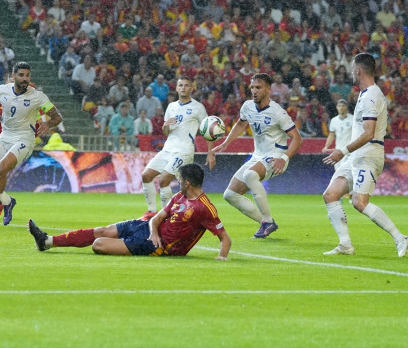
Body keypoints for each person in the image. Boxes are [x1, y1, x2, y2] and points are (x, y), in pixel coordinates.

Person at [27, 163, 230, 259]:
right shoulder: (180, 197)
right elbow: (158, 218)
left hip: (157, 247)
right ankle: (47, 241)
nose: (176, 184)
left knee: (98, 244)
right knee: (103, 230)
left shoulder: (205, 208)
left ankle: (50, 242)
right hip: (148, 231)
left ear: (187, 182)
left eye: (179, 181)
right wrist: (152, 229)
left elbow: (225, 238)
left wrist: (222, 257)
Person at [322, 53, 408, 257]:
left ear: (358, 70)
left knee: (359, 202)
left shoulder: (371, 96)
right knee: (331, 195)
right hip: (355, 157)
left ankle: (400, 238)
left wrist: (342, 151)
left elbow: (369, 133)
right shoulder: (365, 93)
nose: (352, 72)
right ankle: (345, 245)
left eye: (353, 68)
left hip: (368, 157)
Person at [210, 73, 302, 238]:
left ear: (268, 89)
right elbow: (240, 123)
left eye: (258, 87)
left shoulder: (277, 112)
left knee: (250, 175)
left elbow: (297, 138)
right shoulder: (247, 106)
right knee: (230, 195)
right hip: (257, 156)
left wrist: (284, 158)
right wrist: (225, 143)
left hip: (276, 156)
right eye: (252, 87)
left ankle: (267, 221)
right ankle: (266, 223)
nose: (254, 91)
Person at [0, 62, 62, 228]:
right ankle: (7, 201)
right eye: (21, 75)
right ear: (13, 77)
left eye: (27, 75)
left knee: (1, 170)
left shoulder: (37, 96)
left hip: (23, 140)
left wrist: (48, 125)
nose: (24, 79)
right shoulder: (2, 90)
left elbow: (57, 117)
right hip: (4, 137)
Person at [140, 75, 214, 220]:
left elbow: (208, 130)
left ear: (191, 88)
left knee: (164, 180)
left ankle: (166, 216)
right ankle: (151, 211)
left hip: (184, 150)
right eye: (181, 85)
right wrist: (165, 126)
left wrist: (210, 152)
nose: (183, 88)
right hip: (168, 149)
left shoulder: (197, 107)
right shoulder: (171, 106)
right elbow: (166, 131)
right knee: (146, 176)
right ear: (176, 88)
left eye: (186, 85)